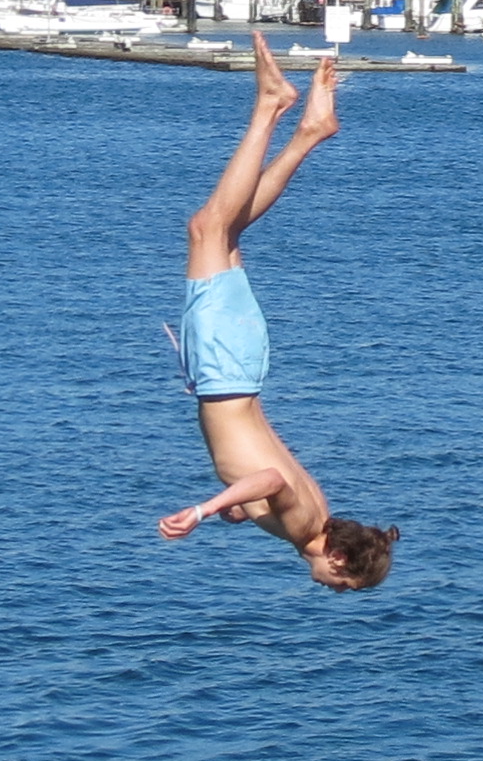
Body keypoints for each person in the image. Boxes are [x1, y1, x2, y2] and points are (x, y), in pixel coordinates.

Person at [159, 36, 397, 590]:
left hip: (239, 367)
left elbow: (265, 486)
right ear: (338, 560)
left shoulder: (318, 512)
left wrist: (237, 512)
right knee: (208, 228)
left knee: (225, 229)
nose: (328, 587)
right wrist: (203, 508)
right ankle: (272, 105)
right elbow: (265, 476)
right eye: (340, 585)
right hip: (223, 369)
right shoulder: (304, 525)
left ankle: (310, 133)